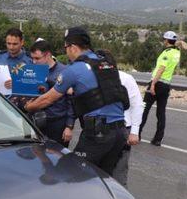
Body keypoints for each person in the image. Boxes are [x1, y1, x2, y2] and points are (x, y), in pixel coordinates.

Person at [25, 27, 128, 176]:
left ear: (73, 47)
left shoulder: (73, 69)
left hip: (98, 134)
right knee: (103, 178)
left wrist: (29, 107)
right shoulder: (104, 63)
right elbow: (96, 90)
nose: (66, 51)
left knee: (72, 173)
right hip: (119, 132)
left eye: (66, 47)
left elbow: (47, 99)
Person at [28, 39, 75, 146]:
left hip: (58, 124)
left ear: (48, 55)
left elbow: (72, 102)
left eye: (37, 58)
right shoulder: (31, 71)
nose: (34, 62)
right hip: (36, 122)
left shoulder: (65, 72)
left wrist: (69, 126)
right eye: (32, 58)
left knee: (57, 159)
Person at [139, 30, 181, 146]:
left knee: (144, 109)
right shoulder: (177, 53)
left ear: (167, 40)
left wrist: (152, 84)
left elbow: (161, 69)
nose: (163, 41)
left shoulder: (166, 53)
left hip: (157, 83)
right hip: (167, 85)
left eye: (164, 39)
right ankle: (158, 139)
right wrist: (180, 43)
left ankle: (137, 134)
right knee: (161, 112)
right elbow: (181, 45)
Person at [112, 69, 144, 187]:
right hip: (99, 129)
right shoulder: (92, 76)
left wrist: (134, 131)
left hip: (123, 128)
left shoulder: (125, 78)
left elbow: (137, 104)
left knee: (119, 168)